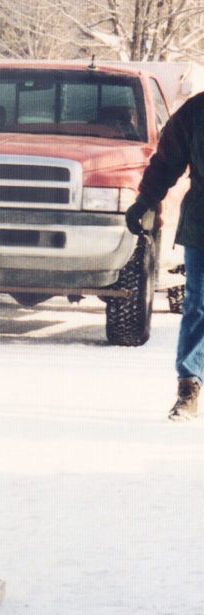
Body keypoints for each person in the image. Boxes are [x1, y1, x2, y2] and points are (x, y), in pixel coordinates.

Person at [125, 91, 204, 421]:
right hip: (202, 225)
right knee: (199, 304)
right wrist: (145, 200)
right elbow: (168, 160)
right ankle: (189, 386)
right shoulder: (196, 111)